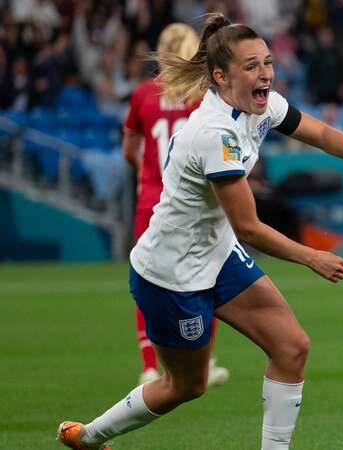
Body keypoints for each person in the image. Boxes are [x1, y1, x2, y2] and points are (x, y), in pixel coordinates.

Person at [58, 13, 343, 450]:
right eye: (251, 66)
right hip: (171, 275)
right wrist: (313, 256)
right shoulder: (215, 132)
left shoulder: (260, 102)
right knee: (185, 385)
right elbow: (248, 227)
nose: (265, 73)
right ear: (220, 76)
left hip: (218, 255)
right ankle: (89, 436)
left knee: (292, 347)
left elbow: (317, 130)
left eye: (267, 62)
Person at [122, 22, 230, 387]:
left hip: (151, 200)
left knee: (147, 279)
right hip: (196, 203)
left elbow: (129, 150)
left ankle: (150, 365)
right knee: (209, 275)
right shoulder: (201, 95)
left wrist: (150, 175)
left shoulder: (142, 95)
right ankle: (205, 361)